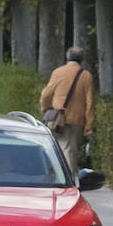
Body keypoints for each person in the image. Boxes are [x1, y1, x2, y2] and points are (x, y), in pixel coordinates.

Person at [39, 46, 95, 174]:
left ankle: (53, 176)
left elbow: (46, 94)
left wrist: (45, 107)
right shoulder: (86, 76)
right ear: (81, 60)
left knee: (55, 148)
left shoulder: (58, 72)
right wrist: (89, 124)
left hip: (57, 118)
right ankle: (68, 181)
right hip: (77, 120)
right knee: (70, 150)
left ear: (67, 57)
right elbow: (90, 102)